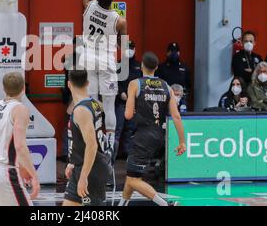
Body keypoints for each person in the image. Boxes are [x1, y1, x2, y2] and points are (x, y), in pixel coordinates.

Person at [79, 0, 127, 156]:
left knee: (91, 101)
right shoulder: (119, 20)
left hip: (87, 59)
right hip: (107, 61)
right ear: (112, 1)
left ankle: (90, 135)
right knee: (109, 104)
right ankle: (109, 140)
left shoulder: (88, 4)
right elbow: (123, 45)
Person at [119, 52, 186, 207]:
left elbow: (128, 115)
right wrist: (182, 141)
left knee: (134, 180)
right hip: (158, 136)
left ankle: (165, 205)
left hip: (142, 136)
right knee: (131, 177)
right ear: (156, 67)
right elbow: (176, 116)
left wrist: (134, 107)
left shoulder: (135, 83)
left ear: (142, 65)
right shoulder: (166, 86)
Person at [0, 72, 40, 206]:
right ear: (23, 88)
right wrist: (33, 175)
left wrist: (22, 167)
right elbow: (20, 146)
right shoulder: (20, 109)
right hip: (3, 172)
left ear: (3, 88)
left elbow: (4, 140)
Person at [63, 69, 110, 206]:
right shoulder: (96, 104)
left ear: (69, 84)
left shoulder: (81, 110)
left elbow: (92, 144)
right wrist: (73, 161)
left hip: (91, 168)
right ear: (88, 83)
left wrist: (83, 177)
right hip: (82, 165)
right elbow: (81, 138)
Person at [115, 41, 142, 159]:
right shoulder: (118, 65)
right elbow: (113, 81)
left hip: (134, 102)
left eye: (131, 48)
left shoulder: (138, 65)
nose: (129, 50)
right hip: (121, 101)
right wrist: (121, 92)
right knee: (118, 127)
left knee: (131, 128)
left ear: (135, 50)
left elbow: (141, 81)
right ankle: (113, 153)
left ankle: (128, 152)